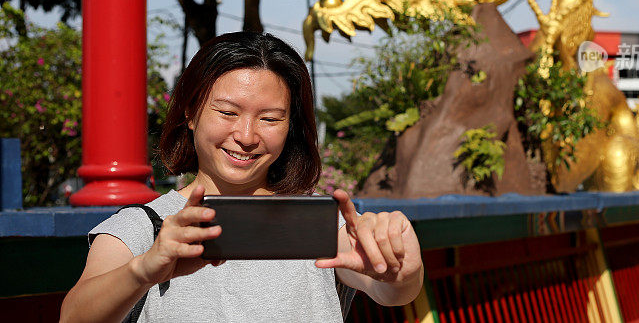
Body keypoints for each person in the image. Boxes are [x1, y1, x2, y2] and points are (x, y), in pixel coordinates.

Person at [60, 32, 424, 322]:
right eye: (228, 112)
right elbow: (74, 317)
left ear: (290, 126)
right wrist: (143, 270)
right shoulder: (142, 226)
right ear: (190, 112)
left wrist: (399, 270)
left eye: (270, 119)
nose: (247, 136)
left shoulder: (319, 224)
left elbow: (390, 290)